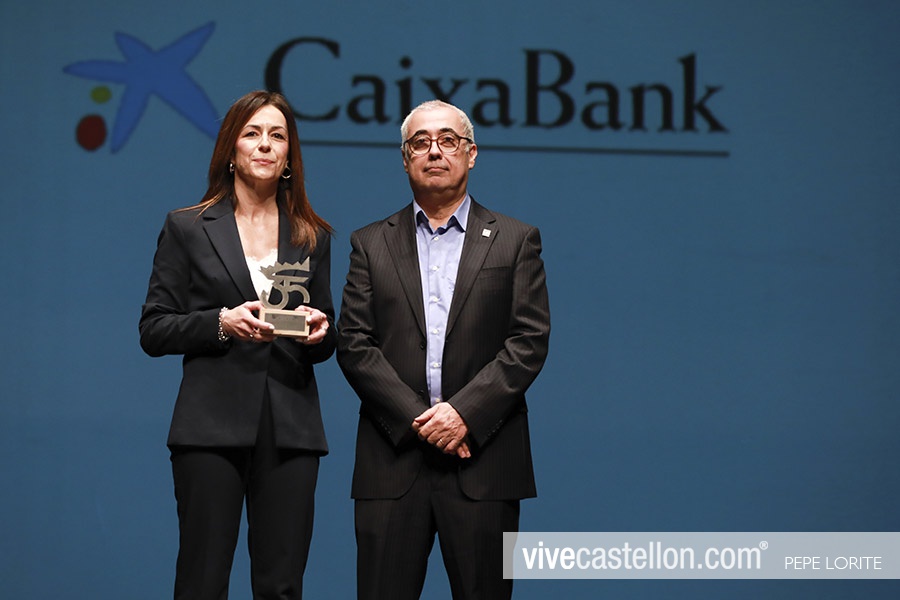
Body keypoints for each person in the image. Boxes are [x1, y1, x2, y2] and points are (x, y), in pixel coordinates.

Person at [336, 100, 551, 599]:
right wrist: (424, 420)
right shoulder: (370, 243)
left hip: (484, 461)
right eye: (420, 142)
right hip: (393, 462)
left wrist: (463, 414)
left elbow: (528, 340)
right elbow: (354, 342)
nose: (434, 151)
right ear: (405, 159)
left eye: (448, 140)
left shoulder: (516, 240)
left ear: (471, 154)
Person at [139, 90, 335, 600]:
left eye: (277, 136)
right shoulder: (188, 227)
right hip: (210, 426)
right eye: (252, 133)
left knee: (282, 585)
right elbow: (154, 329)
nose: (265, 145)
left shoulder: (311, 235)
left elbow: (325, 333)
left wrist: (320, 331)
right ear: (231, 149)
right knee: (202, 582)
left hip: (290, 427)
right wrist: (221, 323)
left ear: (289, 155)